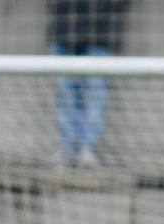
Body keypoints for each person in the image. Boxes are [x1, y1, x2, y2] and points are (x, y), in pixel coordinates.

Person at [47, 0, 128, 168]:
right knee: (66, 93)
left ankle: (87, 148)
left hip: (100, 32)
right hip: (64, 29)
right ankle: (67, 147)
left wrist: (102, 9)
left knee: (95, 93)